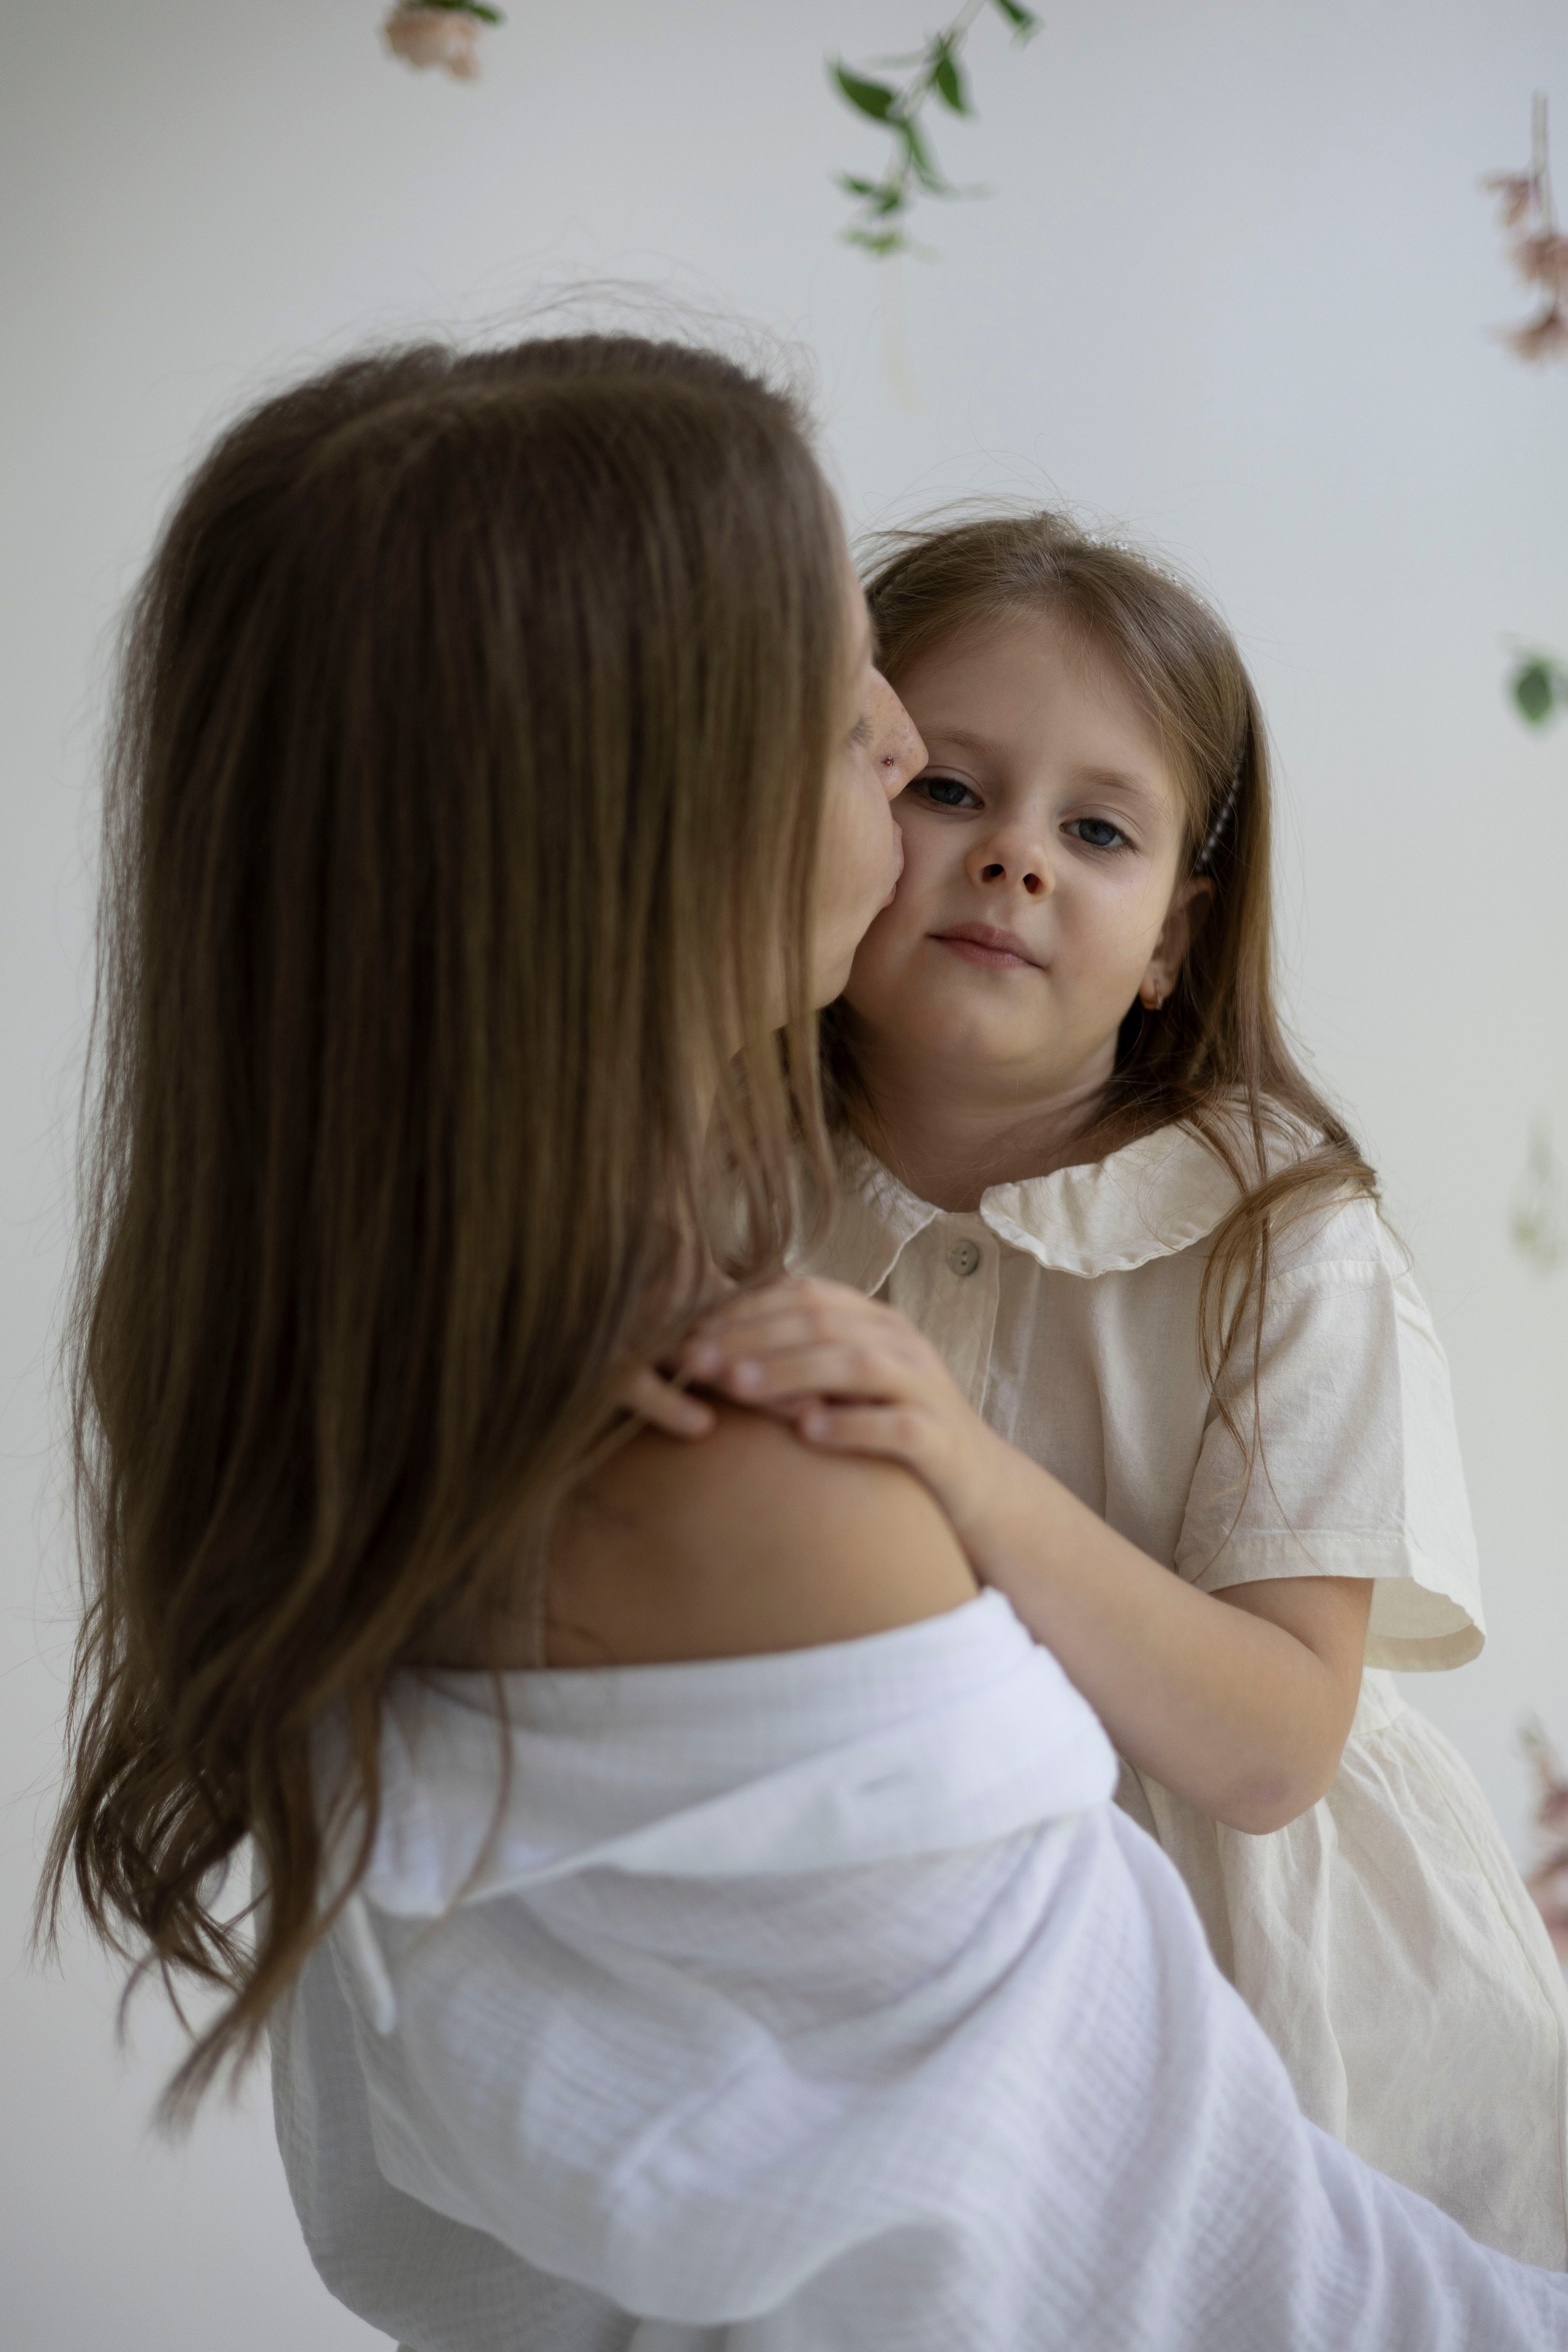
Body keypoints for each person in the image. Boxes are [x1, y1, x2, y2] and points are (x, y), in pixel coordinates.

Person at [39, 338, 1568, 2351]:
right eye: (885, 733)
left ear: (1180, 935)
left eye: (1104, 831)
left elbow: (1268, 1785)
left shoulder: (419, 1393)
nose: (947, 794)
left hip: (1324, 2045)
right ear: (657, 820)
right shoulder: (758, 1387)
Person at [674, 509, 1568, 2267]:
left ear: (1172, 938)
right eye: (950, 790)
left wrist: (970, 1475)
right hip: (920, 1984)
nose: (1014, 858)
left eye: (1096, 831)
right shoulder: (724, 1188)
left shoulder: (1279, 1241)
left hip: (1282, 2032)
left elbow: (1274, 1747)